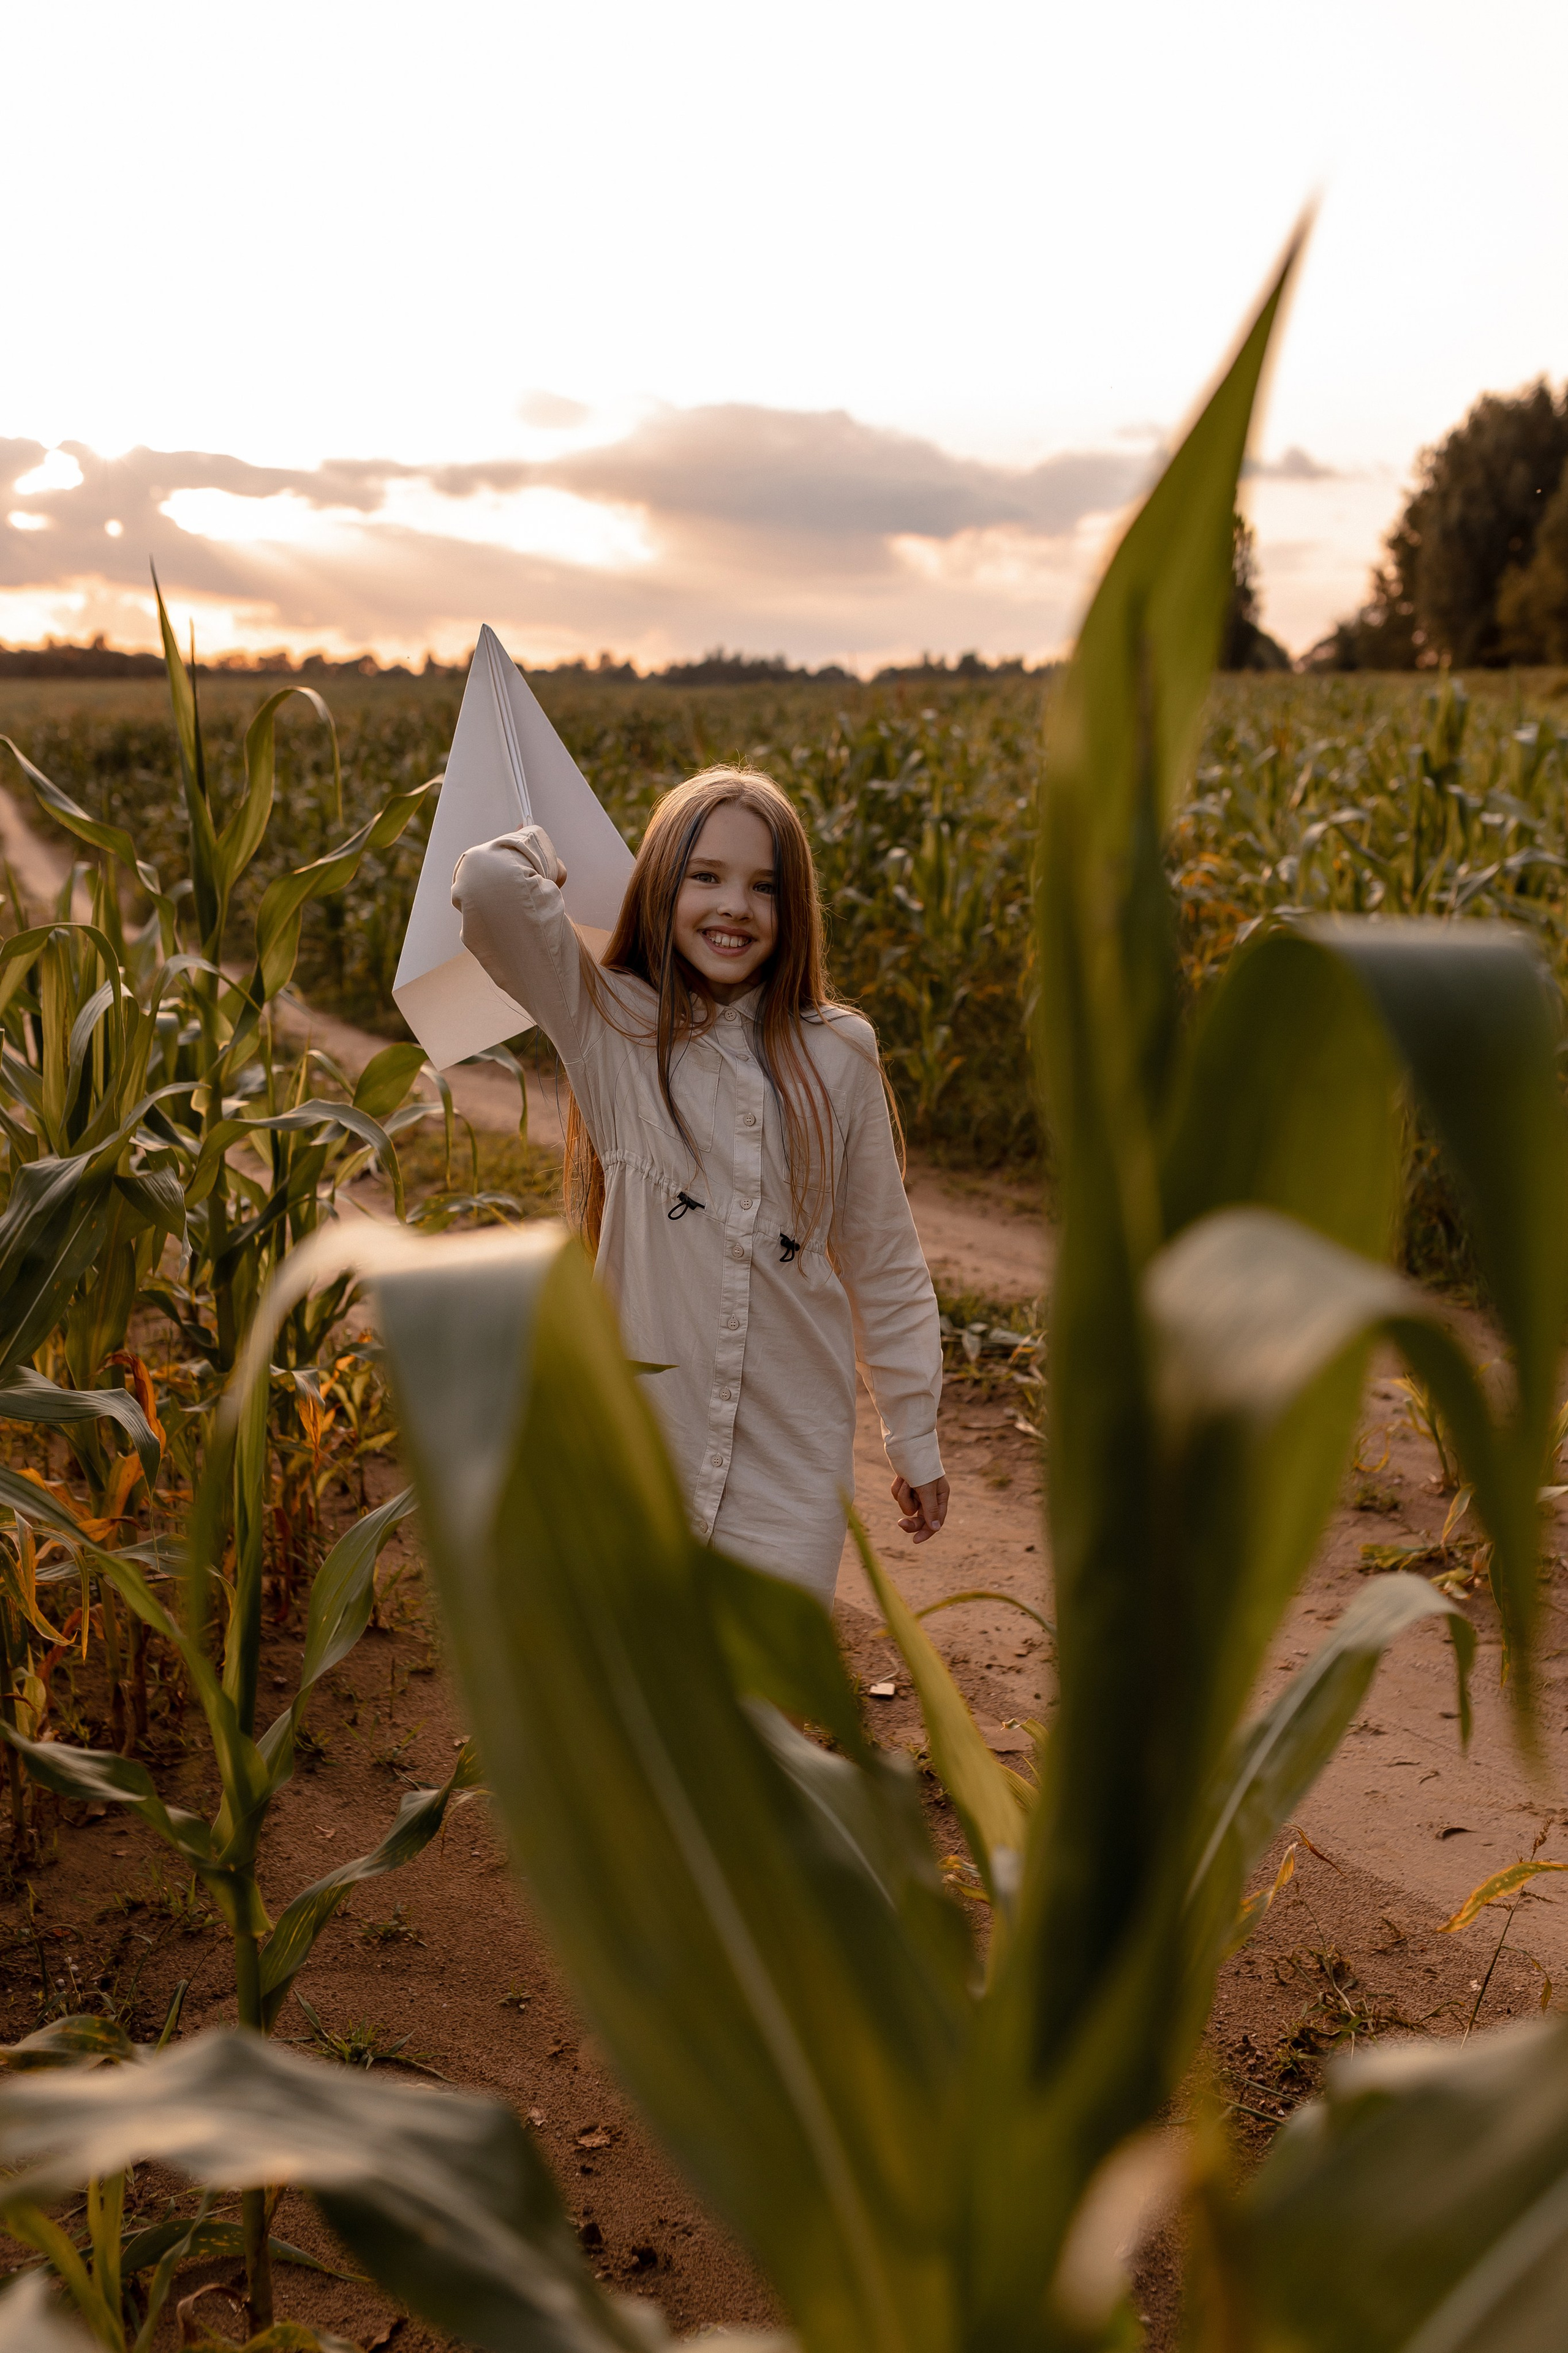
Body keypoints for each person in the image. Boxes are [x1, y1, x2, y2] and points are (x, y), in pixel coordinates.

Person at [450, 765, 948, 1605]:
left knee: (754, 1723)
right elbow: (491, 887)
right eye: (704, 876)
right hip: (642, 1453)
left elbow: (885, 1263)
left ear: (795, 910)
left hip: (792, 1471)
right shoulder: (610, 1023)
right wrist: (563, 857)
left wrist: (915, 1435)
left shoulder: (842, 1052)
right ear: (658, 886)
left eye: (764, 886)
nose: (735, 906)